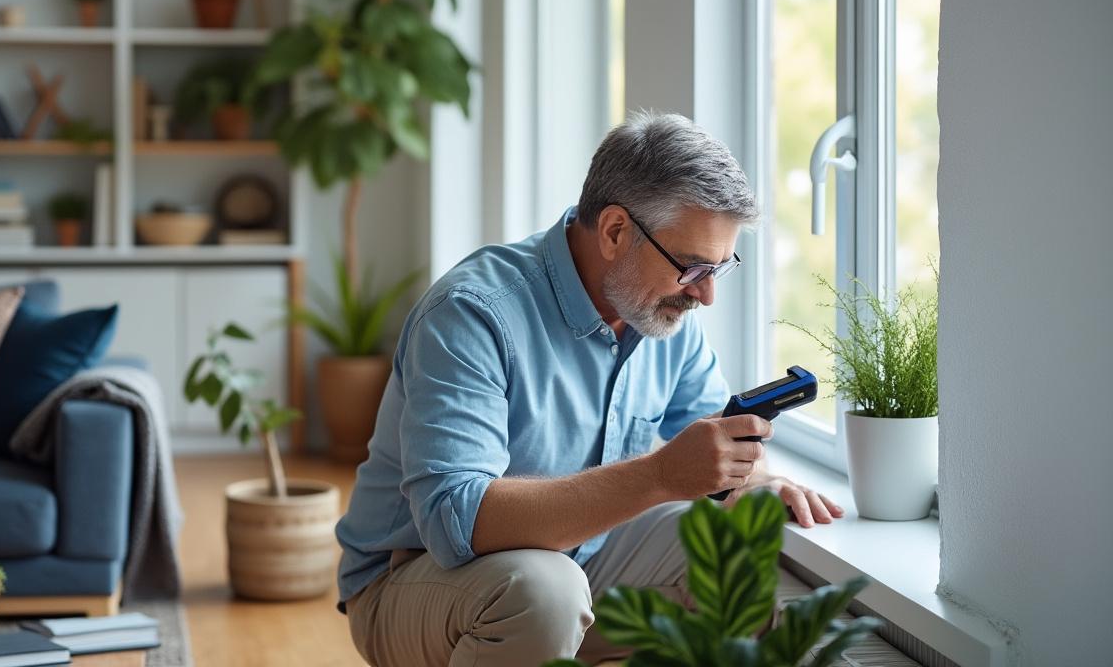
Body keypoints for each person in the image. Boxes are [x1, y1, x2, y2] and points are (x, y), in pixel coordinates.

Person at [334, 111, 843, 667]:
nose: (705, 298)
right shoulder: (472, 313)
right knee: (545, 594)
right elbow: (456, 521)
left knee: (740, 561)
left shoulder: (659, 315)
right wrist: (661, 474)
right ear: (615, 230)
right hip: (415, 581)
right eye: (692, 268)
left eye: (718, 269)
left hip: (581, 562)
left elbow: (709, 439)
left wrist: (754, 480)